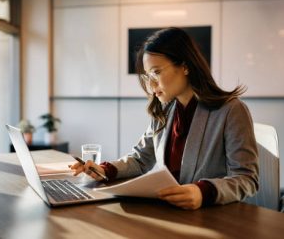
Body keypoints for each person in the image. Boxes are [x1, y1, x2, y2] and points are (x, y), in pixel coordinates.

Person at [70, 27, 259, 210]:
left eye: (157, 72)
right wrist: (104, 170)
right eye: (147, 75)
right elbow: (140, 159)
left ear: (185, 66)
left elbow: (246, 178)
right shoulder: (165, 110)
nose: (151, 84)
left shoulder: (231, 110)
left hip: (212, 217)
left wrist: (202, 192)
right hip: (169, 211)